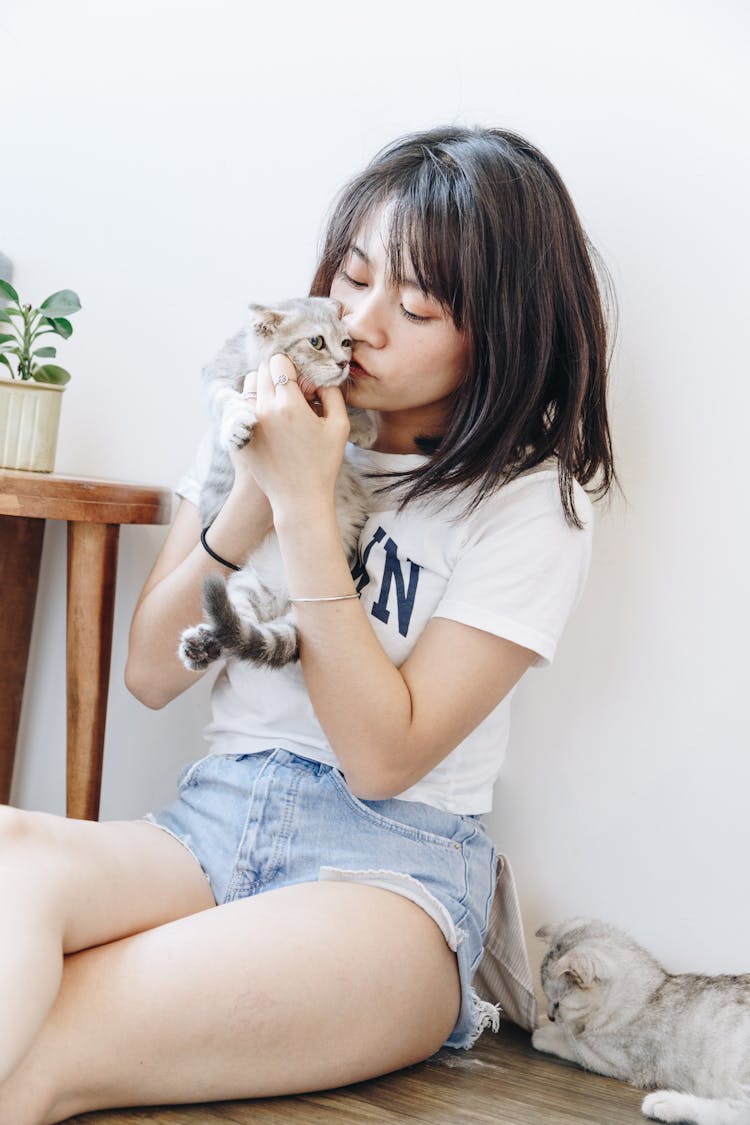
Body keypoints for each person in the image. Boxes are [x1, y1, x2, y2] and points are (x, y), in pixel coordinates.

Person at [0, 125, 615, 1123]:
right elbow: (153, 672)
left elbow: (382, 758)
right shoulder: (255, 417)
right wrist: (255, 486)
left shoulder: (529, 504)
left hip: (392, 876)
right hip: (208, 826)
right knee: (8, 853)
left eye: (416, 305)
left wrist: (304, 503)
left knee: (54, 1041)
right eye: (355, 276)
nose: (363, 323)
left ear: (497, 331)